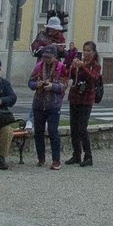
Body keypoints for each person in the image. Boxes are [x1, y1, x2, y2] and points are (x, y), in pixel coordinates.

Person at [29, 41, 68, 169]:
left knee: (52, 131)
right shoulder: (39, 66)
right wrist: (37, 84)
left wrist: (53, 86)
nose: (46, 60)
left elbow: (64, 86)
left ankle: (56, 160)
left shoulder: (61, 67)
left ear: (55, 57)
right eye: (45, 57)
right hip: (39, 103)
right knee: (38, 132)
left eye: (49, 57)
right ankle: (41, 158)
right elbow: (30, 83)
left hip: (54, 104)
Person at [67, 41, 103, 167]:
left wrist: (83, 67)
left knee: (82, 128)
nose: (86, 53)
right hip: (75, 97)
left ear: (93, 52)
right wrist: (73, 67)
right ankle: (76, 154)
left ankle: (88, 156)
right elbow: (72, 77)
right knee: (74, 128)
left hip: (86, 99)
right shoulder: (81, 63)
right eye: (84, 50)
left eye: (89, 51)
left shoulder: (95, 65)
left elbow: (93, 78)